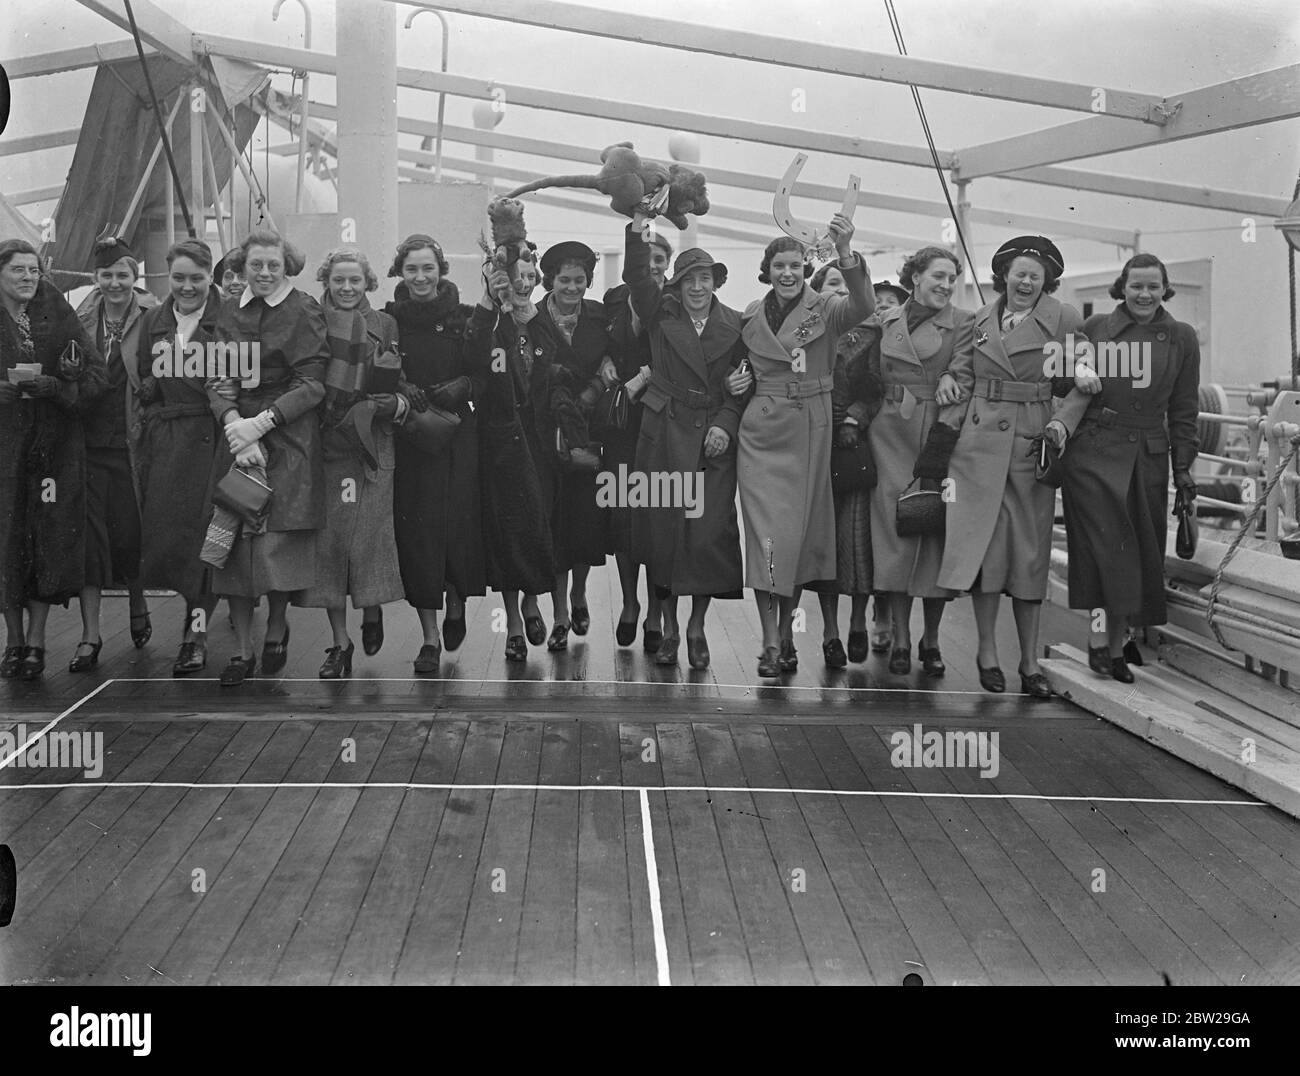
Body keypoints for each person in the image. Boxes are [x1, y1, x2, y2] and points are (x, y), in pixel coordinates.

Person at [938, 236, 1092, 697]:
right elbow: (963, 372)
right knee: (984, 553)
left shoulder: (1064, 319)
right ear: (1003, 275)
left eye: (1035, 276)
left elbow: (1085, 380)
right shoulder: (978, 318)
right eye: (1018, 273)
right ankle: (987, 653)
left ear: (1047, 282)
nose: (1025, 281)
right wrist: (948, 375)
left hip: (1032, 444)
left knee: (1028, 555)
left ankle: (1029, 662)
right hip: (977, 447)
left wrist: (1062, 424)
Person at [733, 219, 873, 678]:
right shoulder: (752, 313)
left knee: (790, 542)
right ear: (766, 270)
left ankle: (785, 636)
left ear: (805, 266)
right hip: (760, 433)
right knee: (764, 538)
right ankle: (771, 641)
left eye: (795, 264)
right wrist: (730, 382)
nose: (787, 273)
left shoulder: (829, 308)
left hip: (809, 428)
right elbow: (735, 367)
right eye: (779, 265)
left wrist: (846, 251)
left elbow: (865, 304)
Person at [1054, 252, 1200, 683]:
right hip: (1095, 453)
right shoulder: (1095, 327)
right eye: (1136, 285)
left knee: (1134, 555)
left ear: (1164, 289)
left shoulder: (1181, 338)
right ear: (1123, 286)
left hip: (1146, 459)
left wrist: (1184, 470)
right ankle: (1101, 643)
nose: (1144, 294)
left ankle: (1116, 647)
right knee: (1103, 552)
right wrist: (1077, 368)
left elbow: (1185, 409)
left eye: (1153, 286)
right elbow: (1058, 376)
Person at [626, 214, 748, 669]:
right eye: (689, 279)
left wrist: (725, 424)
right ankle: (672, 630)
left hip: (713, 444)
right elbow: (638, 276)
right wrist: (640, 223)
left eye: (705, 278)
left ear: (715, 282)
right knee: (665, 538)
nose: (697, 287)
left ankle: (697, 626)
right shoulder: (660, 314)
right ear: (676, 284)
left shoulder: (736, 325)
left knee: (707, 536)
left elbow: (744, 387)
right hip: (664, 437)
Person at [208, 227, 328, 686]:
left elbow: (313, 381)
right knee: (235, 547)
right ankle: (240, 650)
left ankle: (276, 626)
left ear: (286, 267)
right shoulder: (228, 314)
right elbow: (216, 376)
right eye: (255, 264)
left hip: (289, 442)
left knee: (275, 545)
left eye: (272, 265)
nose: (262, 272)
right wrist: (235, 425)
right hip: (238, 440)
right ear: (242, 266)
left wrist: (262, 425)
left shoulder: (303, 309)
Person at [293, 249, 406, 678]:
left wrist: (394, 403)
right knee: (331, 549)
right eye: (338, 280)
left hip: (372, 443)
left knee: (370, 541)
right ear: (326, 281)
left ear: (367, 283)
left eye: (354, 280)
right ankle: (340, 643)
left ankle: (371, 607)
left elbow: (399, 372)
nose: (346, 288)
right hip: (326, 444)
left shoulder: (386, 324)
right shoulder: (312, 321)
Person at [0, 239, 106, 680]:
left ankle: (37, 640)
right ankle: (13, 638)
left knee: (44, 535)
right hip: (4, 444)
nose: (28, 278)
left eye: (33, 270)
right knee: (6, 536)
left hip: (52, 447)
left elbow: (96, 375)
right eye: (17, 270)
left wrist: (59, 389)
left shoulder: (58, 312)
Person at [867, 246, 974, 677]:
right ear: (914, 278)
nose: (946, 286)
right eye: (938, 277)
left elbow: (964, 378)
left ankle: (930, 639)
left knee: (933, 539)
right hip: (888, 434)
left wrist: (940, 444)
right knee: (894, 538)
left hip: (937, 437)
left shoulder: (964, 323)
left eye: (952, 278)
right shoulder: (884, 319)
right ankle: (900, 635)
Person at [387, 234, 486, 673]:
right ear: (400, 273)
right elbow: (372, 369)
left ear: (441, 270)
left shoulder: (465, 318)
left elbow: (487, 373)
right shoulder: (388, 321)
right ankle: (428, 638)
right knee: (418, 534)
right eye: (412, 269)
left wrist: (464, 385)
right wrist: (397, 384)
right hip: (410, 437)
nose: (420, 277)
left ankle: (457, 602)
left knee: (457, 524)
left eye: (428, 268)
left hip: (457, 436)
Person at [465, 250, 569, 660]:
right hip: (502, 439)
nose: (524, 283)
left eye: (530, 276)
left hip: (539, 439)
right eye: (516, 276)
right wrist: (493, 305)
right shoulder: (488, 322)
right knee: (507, 530)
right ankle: (511, 623)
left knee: (539, 522)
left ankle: (532, 600)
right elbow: (474, 354)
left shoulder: (538, 322)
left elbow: (558, 359)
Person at [135, 238, 231, 675]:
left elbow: (244, 384)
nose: (187, 286)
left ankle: (195, 636)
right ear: (167, 277)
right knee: (173, 544)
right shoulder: (154, 320)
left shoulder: (229, 319)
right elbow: (146, 381)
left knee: (207, 547)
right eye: (179, 278)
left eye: (196, 278)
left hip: (216, 443)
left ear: (210, 276)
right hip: (170, 446)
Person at [71, 236, 156, 671]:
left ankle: (138, 603)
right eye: (107, 275)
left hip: (131, 442)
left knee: (130, 532)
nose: (115, 283)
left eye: (123, 274)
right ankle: (90, 635)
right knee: (90, 540)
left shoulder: (154, 316)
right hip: (87, 442)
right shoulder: (80, 315)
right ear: (95, 278)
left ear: (134, 277)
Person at [532, 240, 613, 652]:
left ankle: (579, 592)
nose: (572, 287)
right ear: (551, 280)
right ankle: (559, 613)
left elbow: (618, 355)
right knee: (554, 527)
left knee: (584, 524)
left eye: (579, 279)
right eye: (564, 279)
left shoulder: (599, 315)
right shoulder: (535, 318)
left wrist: (600, 382)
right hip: (546, 435)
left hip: (587, 433)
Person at [601, 228, 671, 653]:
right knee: (624, 518)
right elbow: (594, 344)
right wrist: (605, 359)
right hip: (623, 422)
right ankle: (629, 602)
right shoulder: (610, 301)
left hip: (662, 420)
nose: (654, 267)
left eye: (660, 258)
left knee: (659, 517)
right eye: (648, 259)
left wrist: (646, 376)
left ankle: (655, 615)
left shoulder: (676, 303)